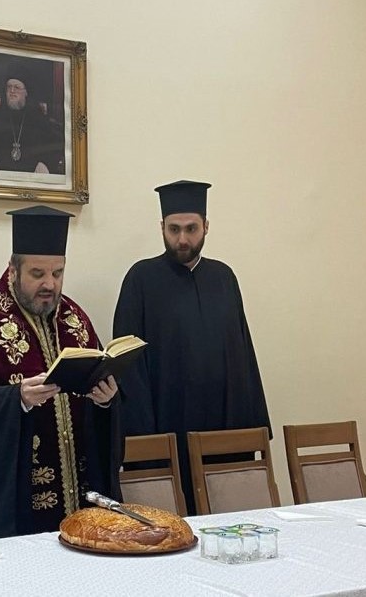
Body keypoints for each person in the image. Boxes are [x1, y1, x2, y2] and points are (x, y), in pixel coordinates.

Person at [0, 206, 122, 538]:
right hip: (22, 507)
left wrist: (106, 402)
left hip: (84, 503)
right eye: (37, 273)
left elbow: (99, 393)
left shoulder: (76, 320)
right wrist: (17, 400)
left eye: (58, 273)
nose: (49, 284)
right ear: (13, 270)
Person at [112, 180, 270, 515]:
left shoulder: (224, 278)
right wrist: (142, 439)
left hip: (220, 429)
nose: (182, 239)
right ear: (162, 227)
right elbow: (127, 365)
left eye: (191, 229)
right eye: (174, 229)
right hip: (166, 426)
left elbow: (243, 356)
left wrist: (252, 429)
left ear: (206, 227)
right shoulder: (141, 279)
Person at [0, 70, 64, 174]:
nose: (12, 91)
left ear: (26, 92)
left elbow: (53, 146)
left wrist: (45, 164)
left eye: (17, 87)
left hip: (32, 179)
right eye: (9, 87)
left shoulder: (39, 119)